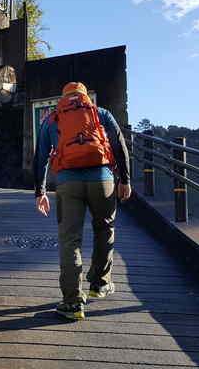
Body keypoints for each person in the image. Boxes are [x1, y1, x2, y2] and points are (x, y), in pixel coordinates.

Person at [34, 82, 131, 320]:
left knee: (70, 240)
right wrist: (125, 180)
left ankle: (72, 302)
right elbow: (119, 145)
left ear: (64, 98)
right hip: (102, 179)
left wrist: (40, 191)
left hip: (67, 182)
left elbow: (41, 157)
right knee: (104, 229)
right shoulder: (100, 113)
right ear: (85, 97)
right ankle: (99, 283)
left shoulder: (52, 118)